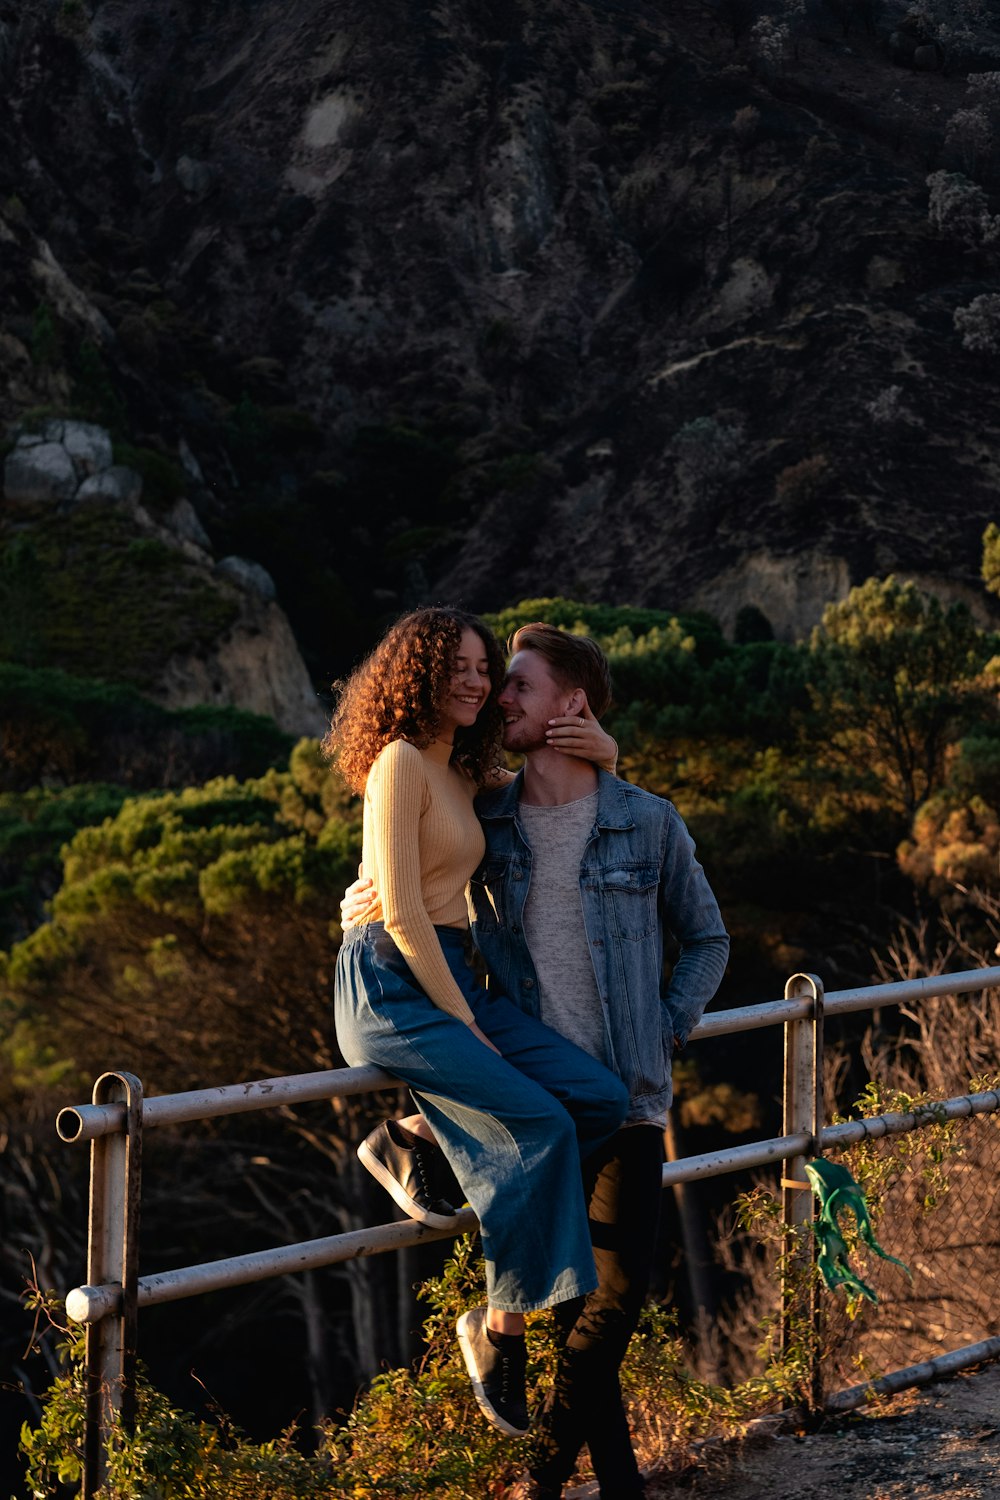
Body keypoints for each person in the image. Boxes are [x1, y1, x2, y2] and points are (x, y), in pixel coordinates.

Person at [344, 622, 729, 1500]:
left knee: (613, 1306)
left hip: (624, 1096)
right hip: (530, 1078)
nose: (496, 697)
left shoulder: (646, 823)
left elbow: (708, 938)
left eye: (514, 683)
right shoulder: (494, 813)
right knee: (573, 1313)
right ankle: (588, 1484)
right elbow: (413, 858)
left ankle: (546, 1482)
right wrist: (362, 901)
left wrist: (669, 1023)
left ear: (573, 706)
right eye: (489, 680)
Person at [325, 607, 630, 1440]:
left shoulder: (460, 771)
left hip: (454, 976)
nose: (473, 679)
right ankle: (499, 1332)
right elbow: (401, 919)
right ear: (415, 673)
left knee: (598, 1101)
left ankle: (419, 1136)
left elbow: (552, 798)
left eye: (482, 665)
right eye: (454, 664)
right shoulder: (396, 764)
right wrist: (470, 1024)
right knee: (536, 1123)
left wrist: (607, 752)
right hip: (394, 986)